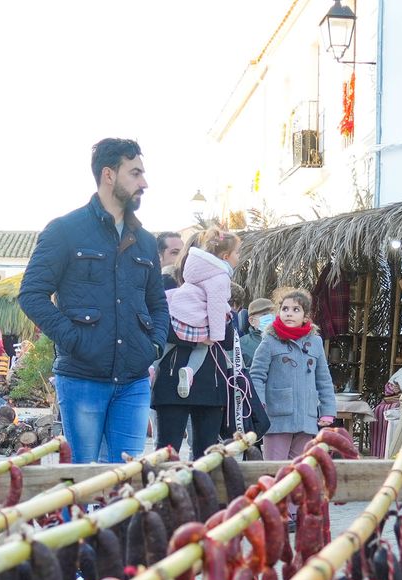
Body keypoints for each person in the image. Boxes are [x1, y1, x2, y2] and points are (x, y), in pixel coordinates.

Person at [18, 137, 169, 463]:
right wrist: (74, 339)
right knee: (85, 478)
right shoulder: (64, 231)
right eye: (135, 173)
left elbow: (158, 303)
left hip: (134, 381)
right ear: (109, 174)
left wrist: (153, 345)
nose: (144, 183)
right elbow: (31, 294)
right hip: (82, 378)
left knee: (127, 478)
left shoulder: (144, 242)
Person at [154, 227, 240, 455]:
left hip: (208, 384)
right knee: (169, 450)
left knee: (204, 452)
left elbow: (230, 339)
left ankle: (196, 491)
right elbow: (162, 330)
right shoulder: (167, 285)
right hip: (177, 379)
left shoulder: (215, 286)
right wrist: (207, 330)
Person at [250, 289, 335, 461]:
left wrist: (327, 411)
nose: (289, 313)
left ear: (306, 316)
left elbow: (324, 380)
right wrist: (260, 405)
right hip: (277, 418)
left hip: (307, 418)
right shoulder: (269, 340)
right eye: (285, 309)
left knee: (299, 472)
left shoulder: (315, 342)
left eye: (296, 310)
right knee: (275, 470)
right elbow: (257, 375)